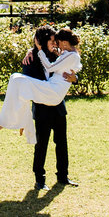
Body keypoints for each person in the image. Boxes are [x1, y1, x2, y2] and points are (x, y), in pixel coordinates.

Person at [31, 29, 81, 190]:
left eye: (56, 41)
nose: (54, 44)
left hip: (58, 107)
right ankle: (40, 179)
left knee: (61, 143)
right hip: (42, 108)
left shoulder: (59, 55)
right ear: (42, 41)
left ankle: (63, 176)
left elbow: (69, 71)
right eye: (52, 41)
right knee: (41, 144)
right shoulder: (31, 58)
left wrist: (75, 79)